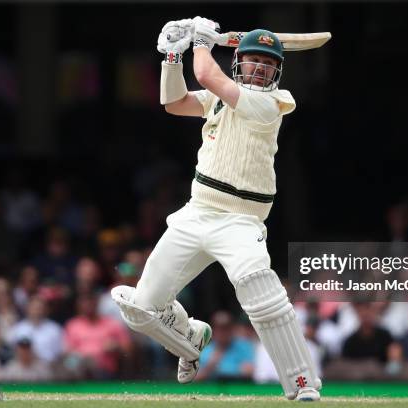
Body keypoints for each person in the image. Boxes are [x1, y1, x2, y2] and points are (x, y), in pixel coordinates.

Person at [111, 16, 321, 401]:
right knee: (140, 308)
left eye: (268, 64)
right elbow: (174, 103)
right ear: (239, 62)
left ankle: (301, 382)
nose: (259, 68)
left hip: (241, 221)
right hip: (197, 212)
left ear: (277, 72)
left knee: (260, 292)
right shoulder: (219, 101)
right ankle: (190, 339)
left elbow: (207, 74)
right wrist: (172, 58)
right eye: (253, 61)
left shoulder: (272, 103)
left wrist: (201, 43)